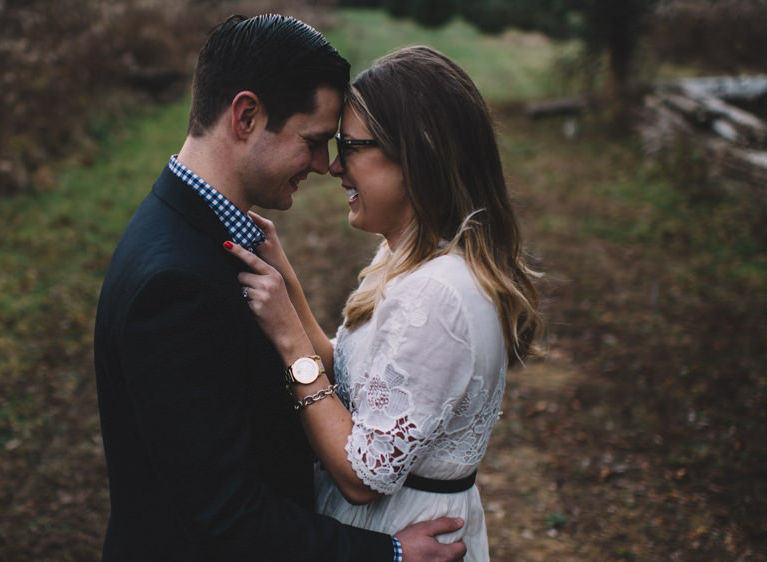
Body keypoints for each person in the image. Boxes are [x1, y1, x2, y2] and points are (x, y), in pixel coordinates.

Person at [94, 15, 468, 562]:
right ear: (246, 115)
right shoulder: (174, 283)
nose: (325, 165)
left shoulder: (203, 236)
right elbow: (225, 515)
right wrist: (388, 553)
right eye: (314, 142)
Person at [224, 46, 544, 561]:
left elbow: (362, 474)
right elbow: (356, 383)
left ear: (416, 153)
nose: (333, 167)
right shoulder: (414, 262)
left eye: (350, 147)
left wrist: (289, 343)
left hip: (405, 529)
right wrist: (287, 282)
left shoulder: (436, 295)